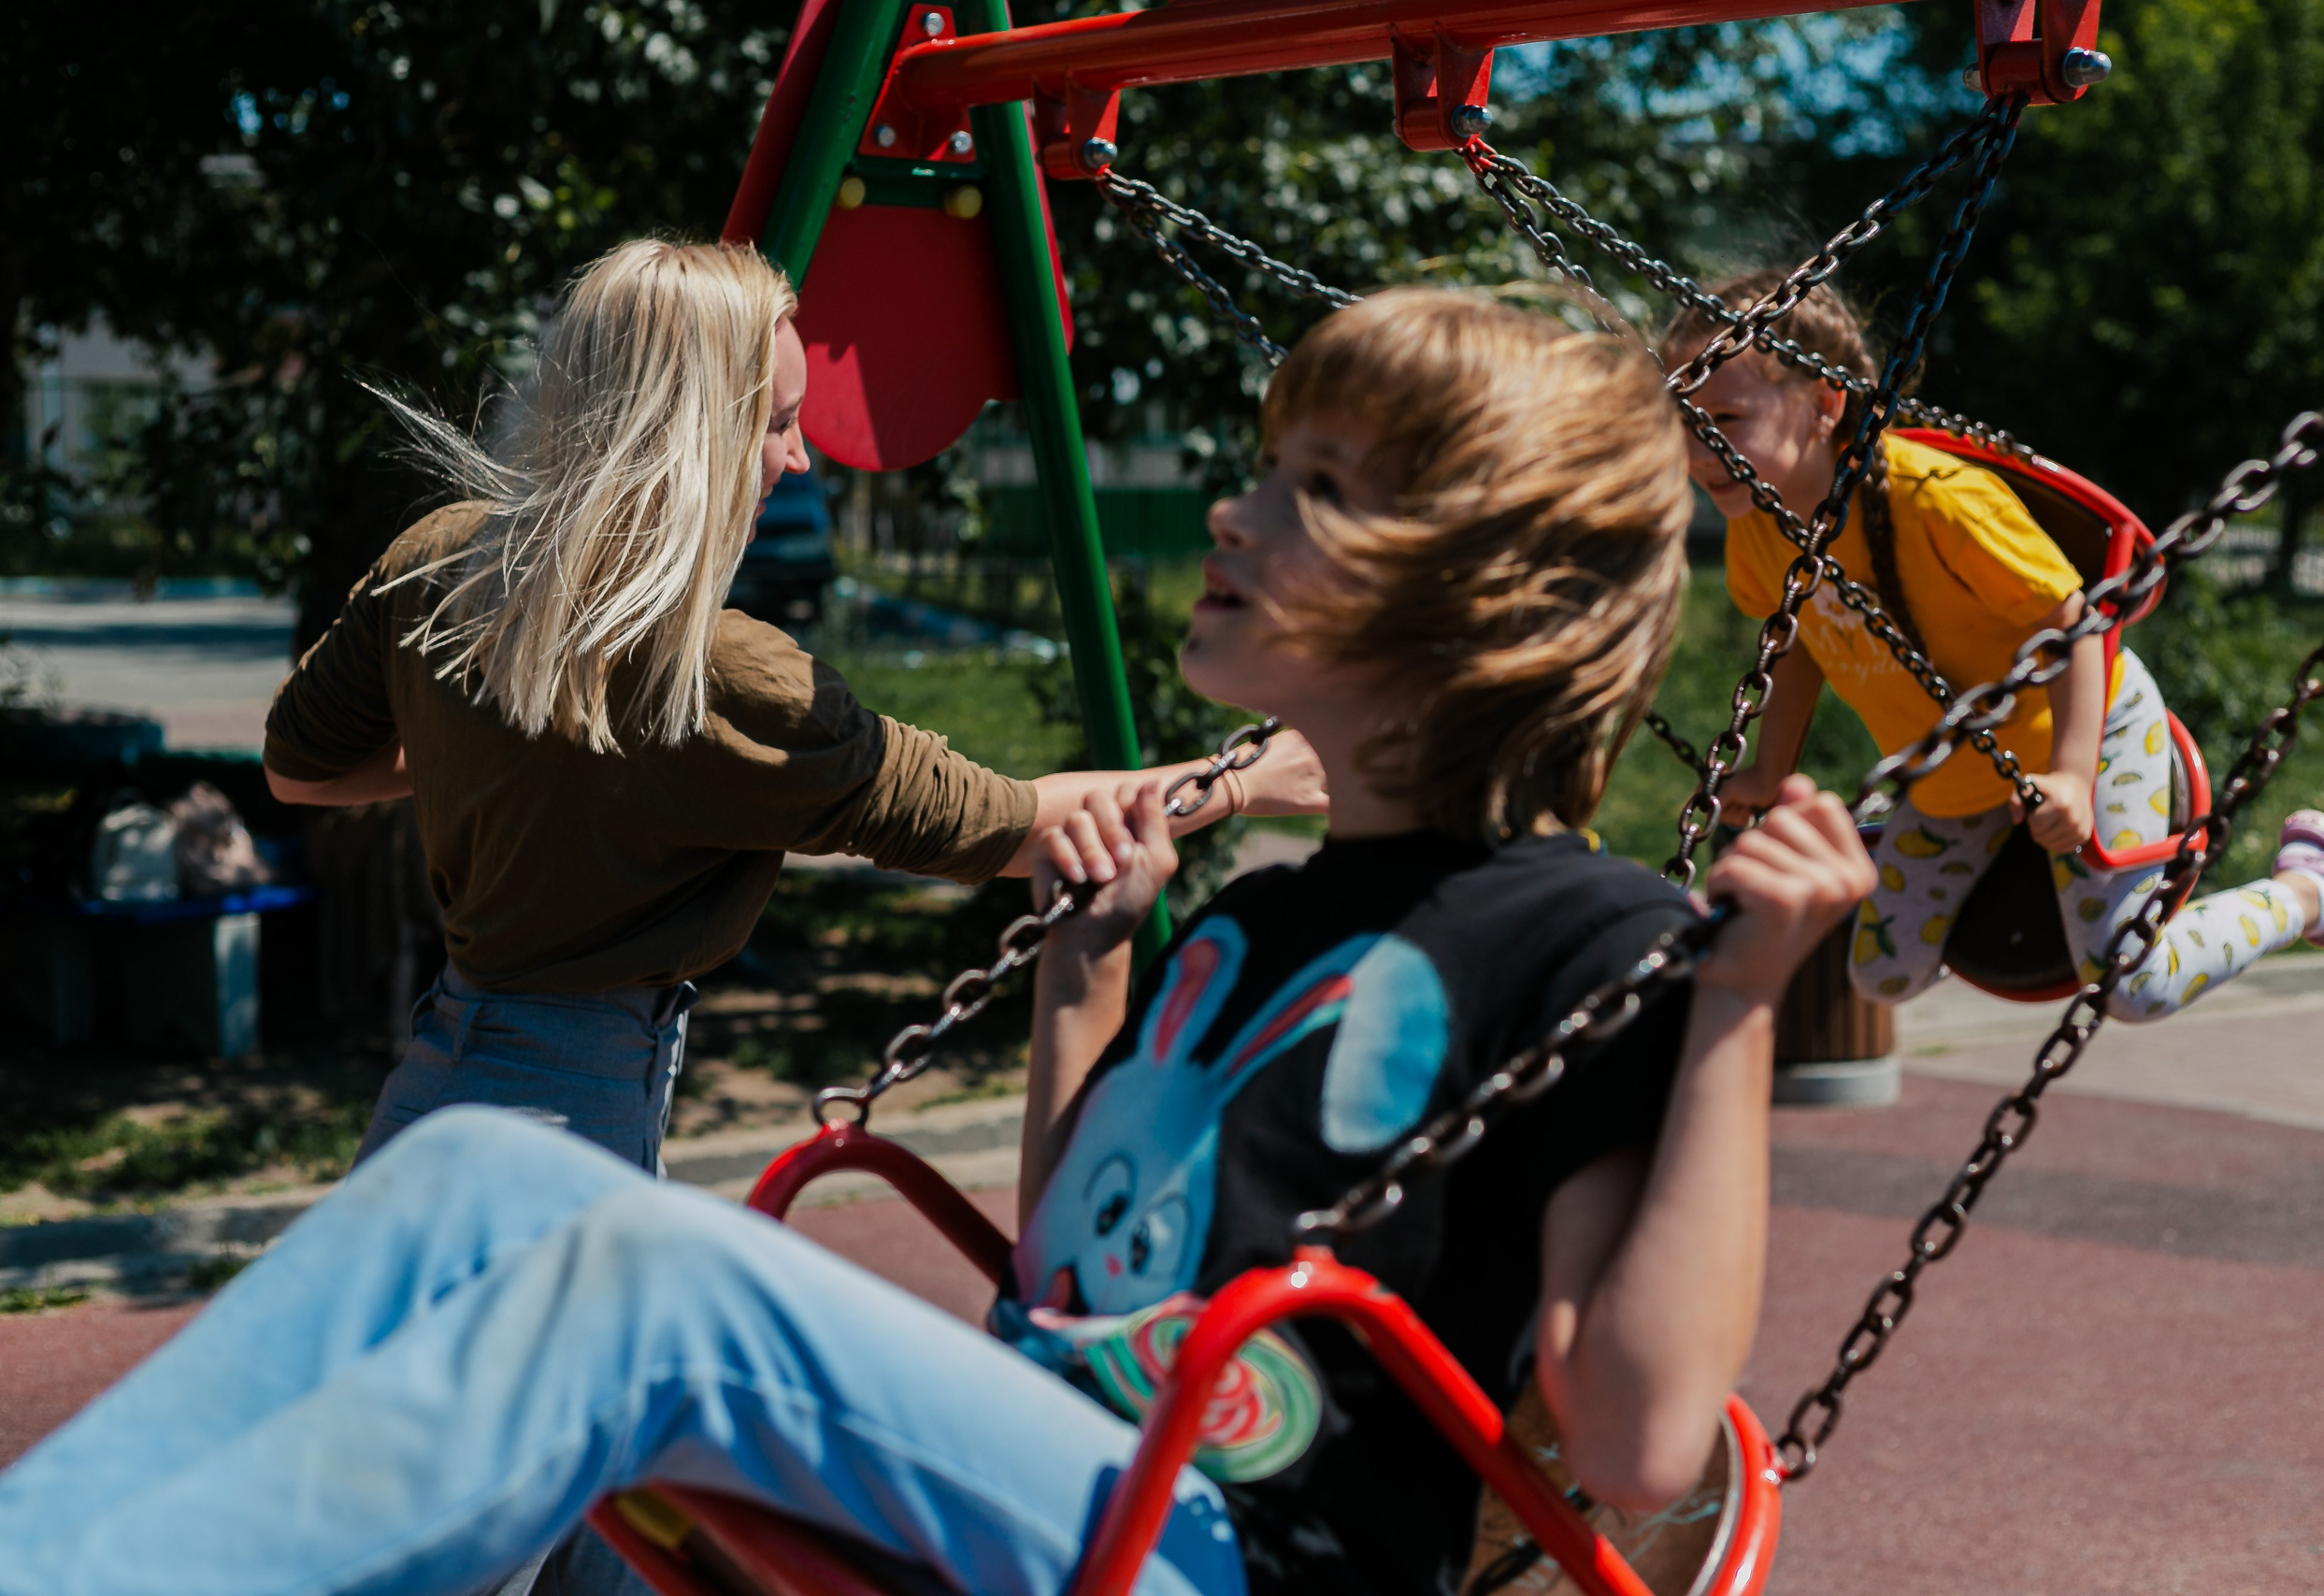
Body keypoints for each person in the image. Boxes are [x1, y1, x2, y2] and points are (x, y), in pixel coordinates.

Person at [0, 288, 1877, 1596]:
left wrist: (1724, 1012)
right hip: (1080, 1473)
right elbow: (1064, 1275)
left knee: (636, 1279)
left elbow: (1634, 1440)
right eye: (1266, 461)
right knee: (483, 1170)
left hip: (1237, 1555)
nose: (1232, 506)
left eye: (1319, 486)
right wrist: (1091, 972)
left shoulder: (1594, 939)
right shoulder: (1274, 915)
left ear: (1484, 600)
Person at [261, 237, 1323, 1175]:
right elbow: (1019, 824)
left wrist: (477, 762)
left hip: (437, 1076)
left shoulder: (440, 561)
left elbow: (300, 769)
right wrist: (1247, 783)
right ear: (689, 436)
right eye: (776, 424)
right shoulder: (723, 677)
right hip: (567, 1113)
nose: (798, 457)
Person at [1668, 274, 2324, 1018]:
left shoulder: (1936, 499)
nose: (1698, 448)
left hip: (2089, 731)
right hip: (1955, 776)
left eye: (1724, 416)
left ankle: (2320, 890)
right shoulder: (1757, 528)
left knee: (2134, 986)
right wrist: (1770, 767)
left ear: (1823, 407)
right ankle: (1884, 840)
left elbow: (2078, 622)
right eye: (1687, 419)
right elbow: (1797, 647)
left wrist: (2075, 777)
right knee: (1881, 977)